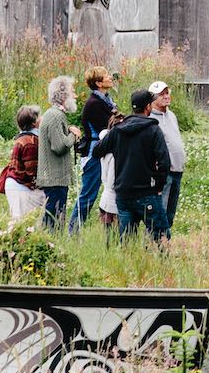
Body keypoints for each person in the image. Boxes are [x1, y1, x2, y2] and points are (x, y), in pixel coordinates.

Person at [107, 87, 171, 243]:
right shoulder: (153, 130)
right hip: (146, 192)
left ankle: (128, 265)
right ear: (148, 107)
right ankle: (159, 265)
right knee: (161, 237)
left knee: (126, 241)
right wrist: (158, 185)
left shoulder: (118, 130)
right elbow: (164, 162)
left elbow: (97, 151)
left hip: (123, 193)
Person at [71, 65, 117, 234]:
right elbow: (108, 129)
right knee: (88, 195)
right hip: (94, 155)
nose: (110, 77)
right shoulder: (94, 104)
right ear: (98, 83)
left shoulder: (106, 101)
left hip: (104, 152)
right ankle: (73, 231)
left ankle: (110, 227)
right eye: (106, 76)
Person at [37, 76, 78, 231]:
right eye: (72, 92)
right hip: (54, 178)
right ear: (63, 95)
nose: (75, 96)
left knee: (54, 219)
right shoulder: (55, 116)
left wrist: (68, 130)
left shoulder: (53, 114)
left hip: (54, 178)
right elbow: (59, 146)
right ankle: (51, 247)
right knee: (54, 221)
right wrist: (74, 135)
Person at [149, 81, 186, 241]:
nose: (166, 96)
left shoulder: (171, 115)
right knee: (160, 210)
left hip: (177, 169)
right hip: (164, 172)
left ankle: (164, 240)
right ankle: (156, 241)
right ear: (152, 99)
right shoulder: (151, 119)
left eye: (167, 92)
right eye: (161, 94)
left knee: (171, 211)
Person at [0, 104, 43, 223]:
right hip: (21, 187)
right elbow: (32, 172)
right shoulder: (30, 142)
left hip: (16, 184)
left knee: (19, 223)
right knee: (23, 225)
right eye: (40, 116)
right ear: (35, 122)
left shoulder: (24, 138)